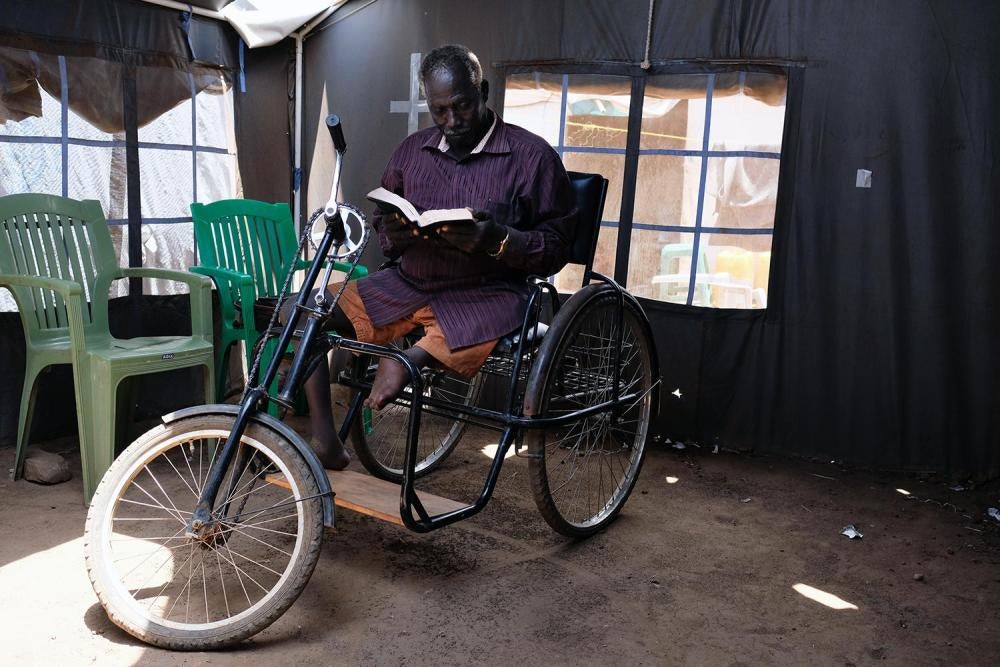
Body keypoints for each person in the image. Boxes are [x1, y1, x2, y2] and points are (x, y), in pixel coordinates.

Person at [288, 44, 578, 470]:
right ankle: (325, 438)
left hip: (488, 291)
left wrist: (497, 240)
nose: (452, 121)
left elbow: (556, 247)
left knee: (482, 322)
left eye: (461, 106)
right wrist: (396, 231)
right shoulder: (412, 151)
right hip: (410, 282)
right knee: (303, 310)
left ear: (483, 91)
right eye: (439, 110)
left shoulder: (532, 157)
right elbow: (384, 228)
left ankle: (406, 362)